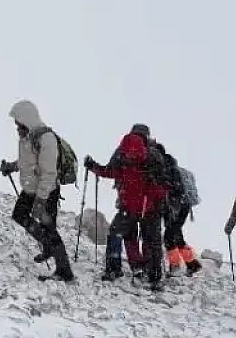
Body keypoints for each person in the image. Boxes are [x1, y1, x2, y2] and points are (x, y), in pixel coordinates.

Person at [85, 124, 168, 290]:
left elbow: (109, 171)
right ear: (147, 136)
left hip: (127, 205)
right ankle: (154, 276)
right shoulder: (154, 154)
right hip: (149, 207)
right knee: (152, 241)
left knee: (120, 234)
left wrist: (92, 166)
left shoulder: (122, 152)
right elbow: (163, 184)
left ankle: (116, 268)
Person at [0, 100, 74, 282]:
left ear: (27, 118)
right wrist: (11, 166)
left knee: (49, 228)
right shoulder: (27, 137)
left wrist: (41, 200)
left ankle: (65, 272)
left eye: (18, 122)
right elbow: (28, 163)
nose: (16, 126)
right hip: (30, 189)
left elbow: (49, 172)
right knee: (19, 215)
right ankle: (47, 245)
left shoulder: (45, 138)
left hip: (46, 192)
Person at [156, 147, 202, 276]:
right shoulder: (179, 171)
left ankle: (175, 266)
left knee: (169, 237)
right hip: (184, 206)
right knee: (177, 235)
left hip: (173, 207)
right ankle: (192, 264)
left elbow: (171, 190)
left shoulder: (167, 171)